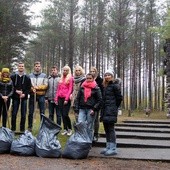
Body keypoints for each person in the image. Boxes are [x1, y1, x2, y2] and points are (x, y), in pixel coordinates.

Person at [100, 70, 123, 156]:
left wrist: (114, 107)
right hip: (105, 110)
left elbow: (119, 98)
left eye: (109, 75)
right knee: (106, 128)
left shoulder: (115, 86)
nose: (107, 76)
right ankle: (108, 146)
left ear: (112, 76)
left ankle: (113, 148)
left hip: (111, 110)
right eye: (105, 75)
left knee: (111, 128)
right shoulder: (104, 86)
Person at [74, 73, 102, 141]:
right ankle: (81, 140)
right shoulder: (82, 87)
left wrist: (94, 109)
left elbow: (100, 100)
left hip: (91, 109)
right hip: (82, 109)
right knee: (80, 124)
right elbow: (77, 98)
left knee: (90, 126)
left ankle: (89, 141)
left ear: (93, 79)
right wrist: (77, 108)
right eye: (87, 78)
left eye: (90, 78)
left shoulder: (96, 88)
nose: (88, 80)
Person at [10, 62, 31, 132]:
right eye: (20, 66)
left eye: (22, 66)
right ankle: (13, 129)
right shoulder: (13, 76)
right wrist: (16, 91)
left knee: (23, 114)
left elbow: (29, 88)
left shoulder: (27, 77)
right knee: (14, 113)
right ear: (18, 67)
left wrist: (24, 94)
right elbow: (11, 86)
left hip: (24, 98)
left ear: (24, 67)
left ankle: (22, 129)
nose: (21, 67)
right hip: (15, 98)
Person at [28, 61, 48, 131]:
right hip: (32, 95)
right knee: (30, 112)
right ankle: (30, 127)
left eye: (38, 66)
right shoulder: (30, 75)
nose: (37, 67)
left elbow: (45, 85)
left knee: (42, 112)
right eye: (36, 66)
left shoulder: (44, 75)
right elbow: (28, 85)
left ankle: (42, 127)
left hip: (41, 95)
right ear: (34, 67)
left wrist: (37, 87)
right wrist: (32, 88)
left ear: (40, 67)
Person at [55, 65, 73, 136]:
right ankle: (65, 129)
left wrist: (66, 99)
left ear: (68, 71)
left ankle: (70, 129)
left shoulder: (70, 78)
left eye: (66, 70)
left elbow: (70, 89)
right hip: (60, 98)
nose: (65, 71)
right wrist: (56, 98)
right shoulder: (61, 79)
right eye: (64, 70)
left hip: (66, 98)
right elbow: (58, 89)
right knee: (62, 114)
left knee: (65, 114)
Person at [90, 67, 103, 141]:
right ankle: (90, 134)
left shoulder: (100, 80)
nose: (92, 72)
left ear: (96, 72)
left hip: (97, 103)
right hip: (89, 103)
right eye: (91, 71)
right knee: (89, 120)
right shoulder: (88, 79)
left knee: (96, 119)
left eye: (93, 71)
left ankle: (96, 134)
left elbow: (101, 91)